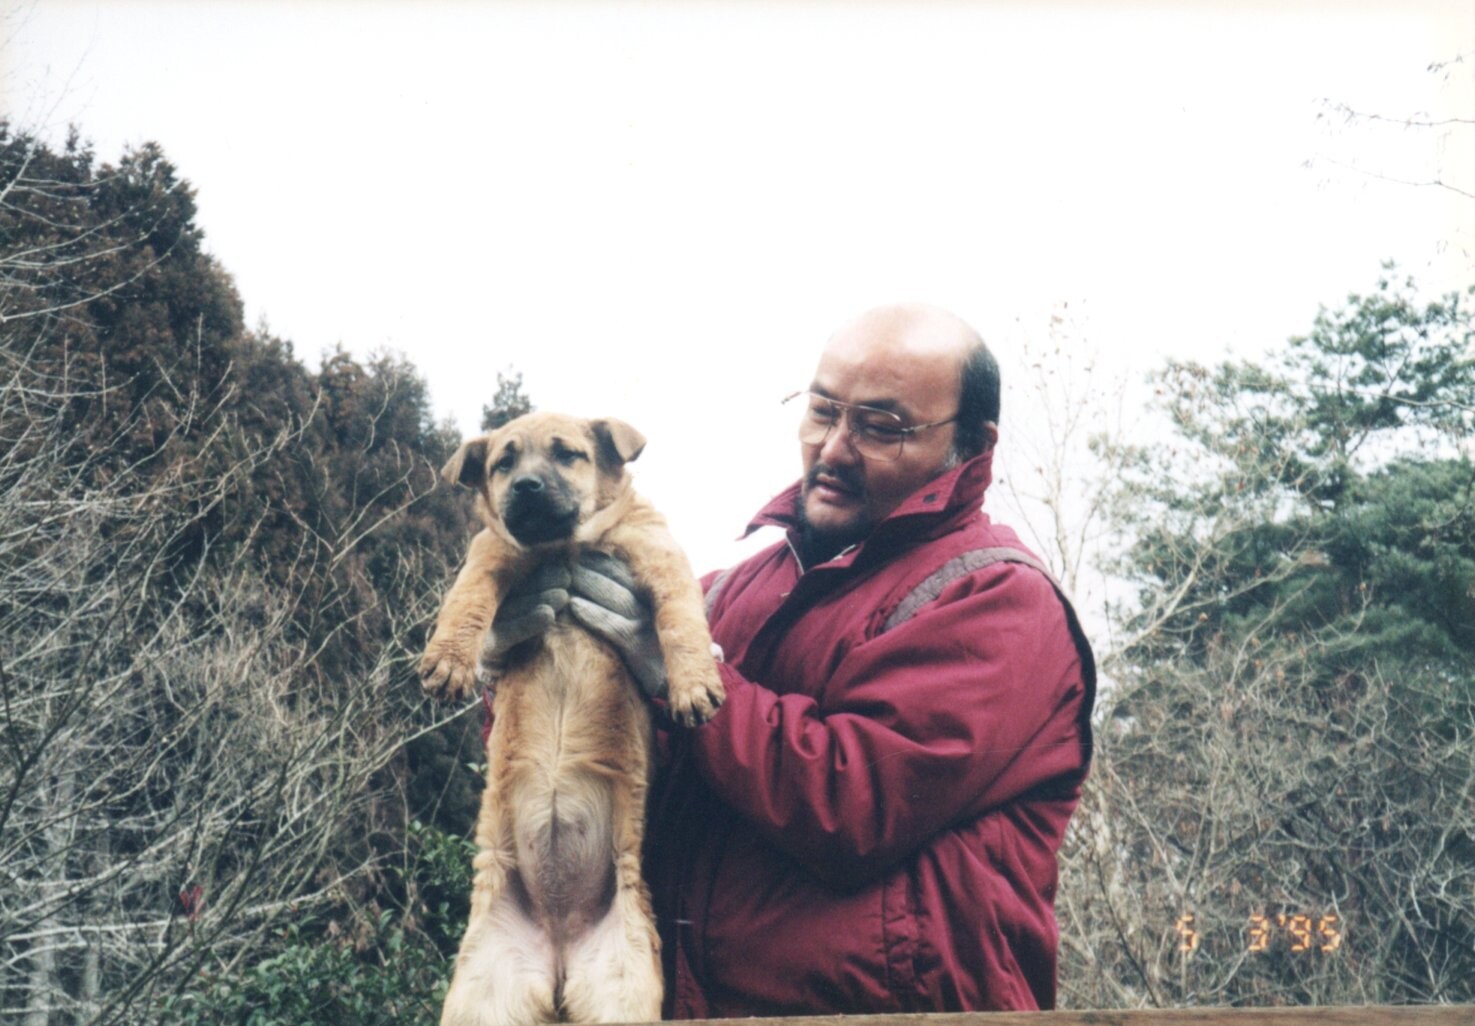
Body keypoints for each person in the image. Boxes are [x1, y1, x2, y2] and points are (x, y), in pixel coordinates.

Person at [488, 302, 1096, 1016]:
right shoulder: (726, 593)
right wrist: (523, 668)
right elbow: (607, 774)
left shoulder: (996, 600)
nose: (833, 448)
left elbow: (854, 804)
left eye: (880, 427)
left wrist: (680, 671)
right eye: (821, 411)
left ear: (972, 444)